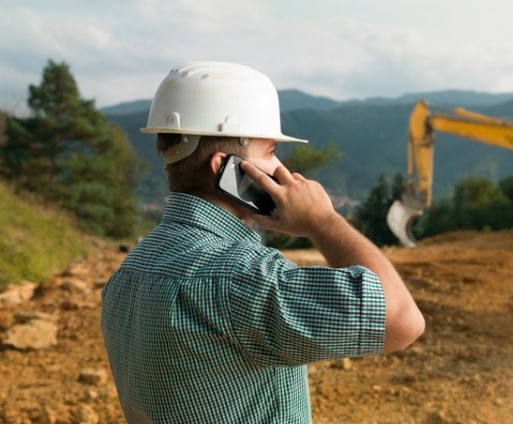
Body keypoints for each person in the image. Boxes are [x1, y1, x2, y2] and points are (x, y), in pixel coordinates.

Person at [100, 61, 425, 423]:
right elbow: (401, 320)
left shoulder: (129, 272)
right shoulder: (241, 278)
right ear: (225, 166)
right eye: (270, 152)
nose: (282, 169)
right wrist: (323, 221)